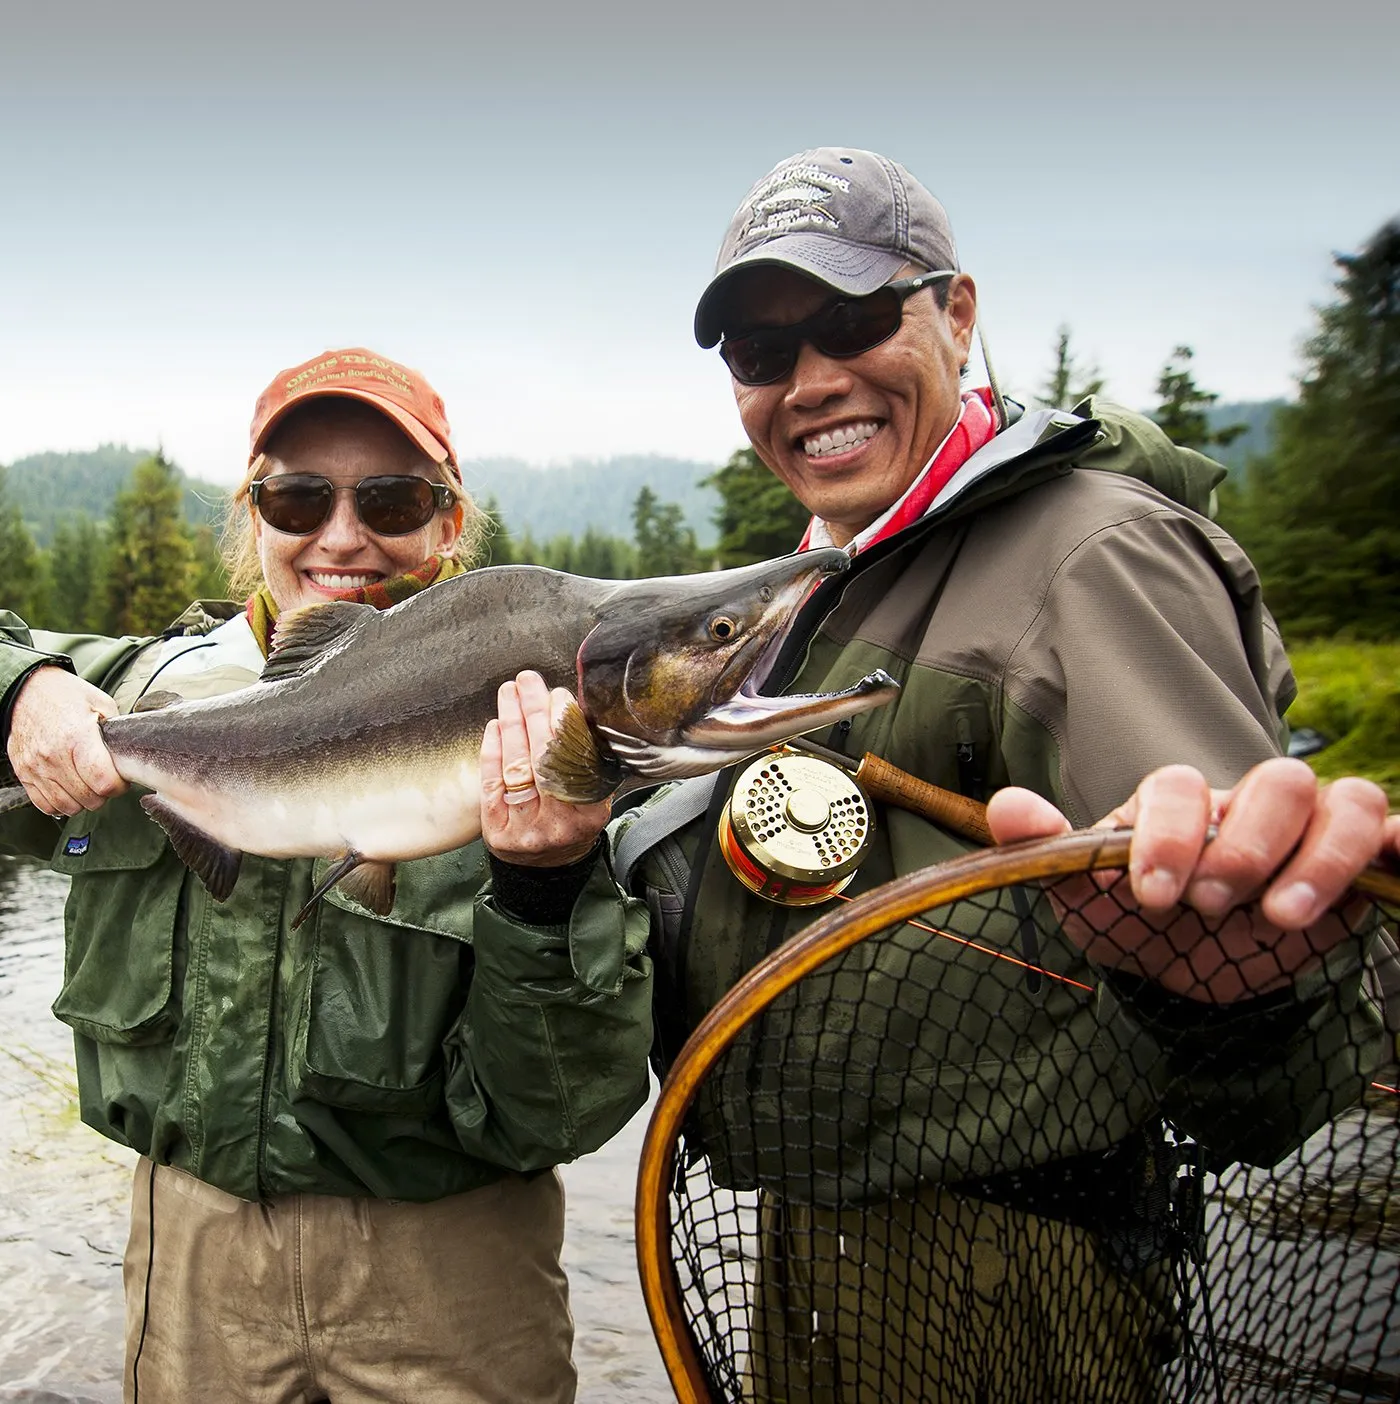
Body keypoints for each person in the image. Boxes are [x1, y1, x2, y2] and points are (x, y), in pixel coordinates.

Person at [513, 149, 1395, 1400]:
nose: (812, 381)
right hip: (824, 1239)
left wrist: (1238, 991)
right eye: (763, 352)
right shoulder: (838, 575)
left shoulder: (1096, 556)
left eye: (854, 322)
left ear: (958, 313)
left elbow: (1285, 1050)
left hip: (1011, 1271)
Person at [0, 348, 648, 1404]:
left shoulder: (551, 730)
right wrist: (17, 687)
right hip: (192, 1270)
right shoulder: (135, 699)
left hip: (457, 1274)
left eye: (390, 500)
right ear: (252, 517)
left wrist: (543, 885)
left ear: (449, 525)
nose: (341, 536)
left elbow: (564, 1114)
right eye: (299, 498)